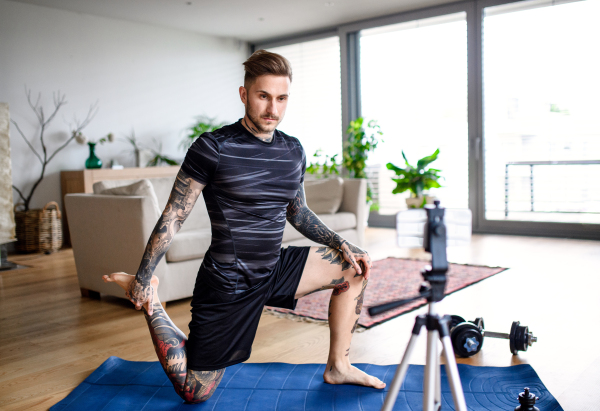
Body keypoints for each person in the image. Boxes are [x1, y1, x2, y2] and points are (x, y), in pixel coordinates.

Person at [103, 49, 385, 404]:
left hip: (274, 266)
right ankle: (154, 302)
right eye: (263, 96)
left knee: (354, 266)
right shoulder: (213, 147)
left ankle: (339, 366)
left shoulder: (293, 150)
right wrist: (144, 275)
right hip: (228, 282)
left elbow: (297, 213)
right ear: (244, 94)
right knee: (194, 392)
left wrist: (342, 242)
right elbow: (174, 214)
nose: (273, 109)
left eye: (281, 98)